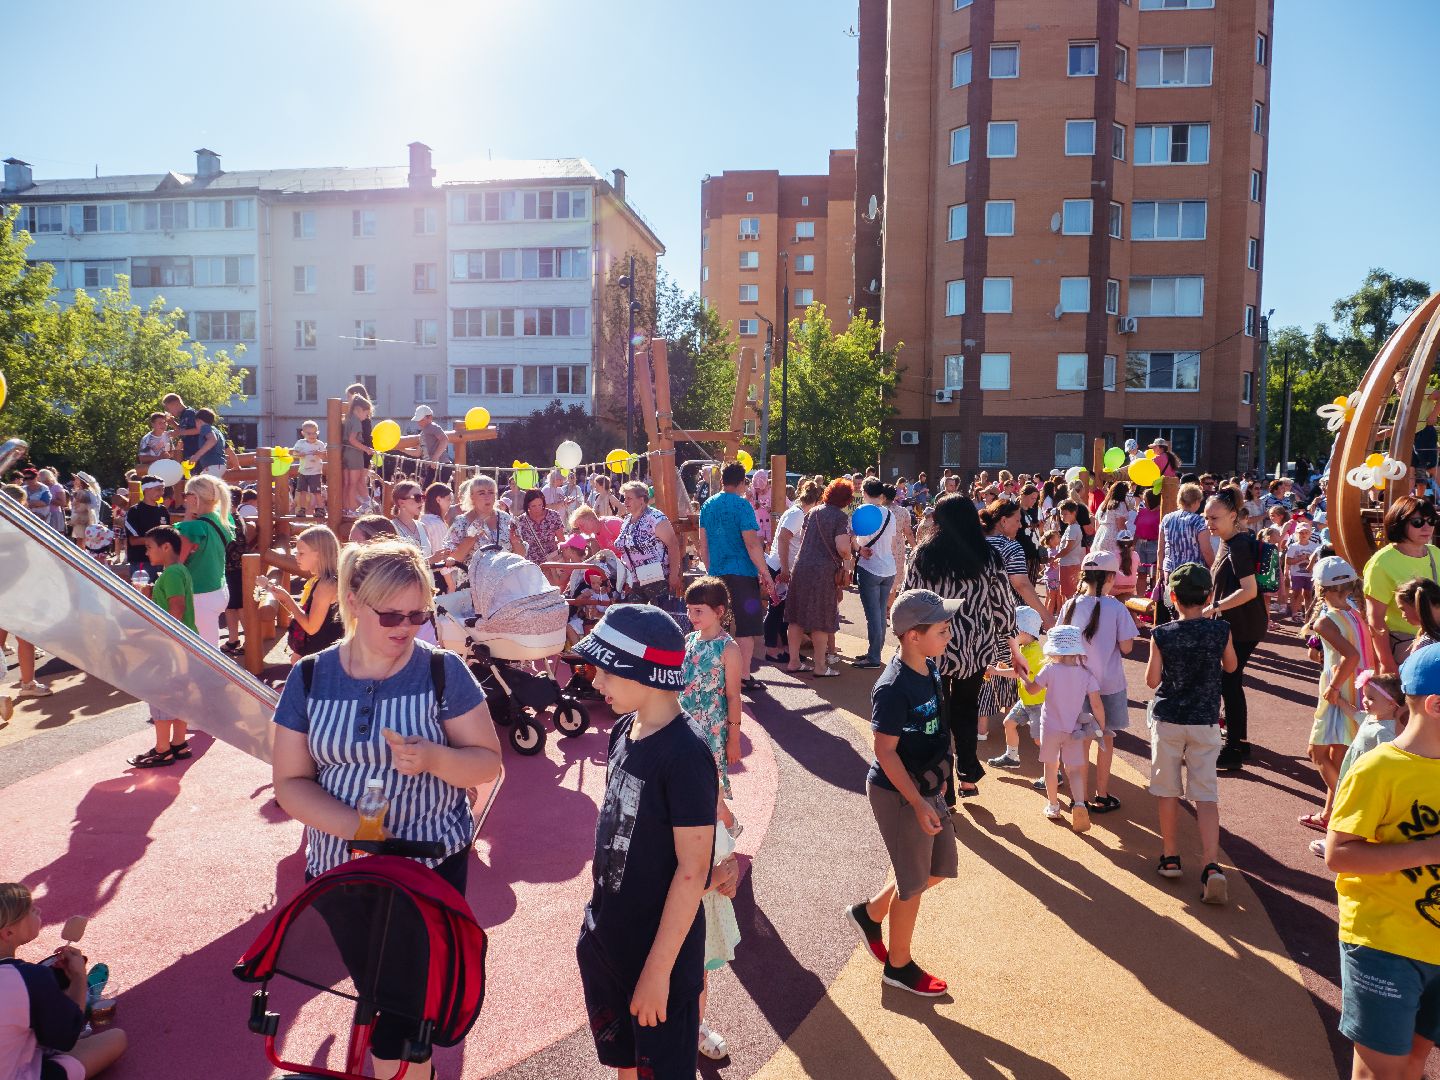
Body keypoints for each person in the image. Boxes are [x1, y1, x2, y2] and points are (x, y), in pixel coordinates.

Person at [270, 540, 502, 1080]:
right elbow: (289, 783)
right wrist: (359, 829)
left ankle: (404, 1069)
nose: (406, 627)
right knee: (377, 991)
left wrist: (436, 757)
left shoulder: (443, 672)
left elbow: (486, 763)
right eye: (392, 615)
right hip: (340, 870)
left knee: (404, 1004)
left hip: (427, 866)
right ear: (352, 602)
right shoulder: (308, 677)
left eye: (417, 614)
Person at [570, 605, 735, 1080]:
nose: (596, 683)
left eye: (603, 671)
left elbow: (691, 871)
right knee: (625, 1062)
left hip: (659, 954)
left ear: (641, 673)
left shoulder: (686, 756)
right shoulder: (625, 727)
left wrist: (658, 973)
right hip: (609, 937)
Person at [1324, 645, 1440, 1080]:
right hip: (1383, 943)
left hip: (1436, 945)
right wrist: (1428, 850)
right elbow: (1338, 854)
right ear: (1435, 705)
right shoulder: (1379, 768)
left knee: (1413, 1063)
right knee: (1379, 1073)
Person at [844, 589, 961, 998]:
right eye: (942, 630)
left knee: (938, 868)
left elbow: (936, 729)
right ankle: (899, 966)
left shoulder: (929, 667)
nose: (949, 636)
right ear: (913, 635)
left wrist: (942, 775)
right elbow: (885, 752)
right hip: (898, 793)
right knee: (911, 885)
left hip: (926, 787)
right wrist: (915, 799)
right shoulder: (892, 687)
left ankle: (870, 913)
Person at [902, 493, 1023, 803]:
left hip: (934, 647)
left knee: (937, 717)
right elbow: (1003, 607)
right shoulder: (988, 556)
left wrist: (905, 642)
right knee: (966, 711)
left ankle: (944, 787)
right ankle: (968, 775)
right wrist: (1013, 649)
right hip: (976, 648)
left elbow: (907, 601)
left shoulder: (923, 555)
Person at [1145, 563, 1237, 900]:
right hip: (1205, 721)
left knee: (1168, 790)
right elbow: (1231, 666)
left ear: (1173, 597)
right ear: (1209, 596)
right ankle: (1211, 864)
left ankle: (1170, 856)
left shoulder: (1162, 633)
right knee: (1206, 795)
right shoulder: (1220, 630)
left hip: (1169, 718)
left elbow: (1152, 681)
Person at [0, 883, 128, 1080]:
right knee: (116, 1038)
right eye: (31, 910)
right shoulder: (30, 979)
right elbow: (65, 1038)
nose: (38, 910)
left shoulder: (29, 977)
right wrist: (78, 977)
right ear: (8, 933)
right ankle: (83, 996)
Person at [1057, 549, 1137, 814]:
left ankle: (1078, 797)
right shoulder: (1117, 607)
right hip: (1108, 685)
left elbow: (1059, 643)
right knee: (1105, 739)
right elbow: (1126, 647)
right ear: (1111, 577)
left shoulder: (1070, 604)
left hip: (1074, 685)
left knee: (1078, 741)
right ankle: (1101, 795)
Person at [1300, 557, 1371, 833]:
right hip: (1359, 686)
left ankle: (1350, 809)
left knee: (1316, 753)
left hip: (1339, 688)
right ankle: (1330, 813)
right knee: (1339, 754)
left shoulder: (1325, 621)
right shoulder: (1355, 610)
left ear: (1321, 589)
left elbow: (1349, 656)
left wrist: (1332, 687)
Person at [1204, 488, 1269, 772]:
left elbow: (1249, 590)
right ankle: (1238, 742)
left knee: (1228, 681)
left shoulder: (1238, 544)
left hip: (1242, 626)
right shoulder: (1227, 541)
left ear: (1233, 516)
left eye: (1215, 517)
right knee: (1230, 681)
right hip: (1237, 624)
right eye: (1206, 517)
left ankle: (1234, 747)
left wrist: (1216, 606)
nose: (1210, 523)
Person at [1017, 624, 1104, 832]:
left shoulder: (1050, 669)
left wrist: (1023, 675)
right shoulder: (1086, 674)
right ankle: (1080, 804)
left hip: (1050, 727)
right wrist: (1102, 726)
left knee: (1051, 766)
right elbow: (1097, 704)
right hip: (1073, 729)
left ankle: (1053, 806)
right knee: (1074, 769)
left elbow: (1032, 689)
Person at [126, 525, 197, 768]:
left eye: (149, 547)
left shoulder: (171, 574)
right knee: (180, 696)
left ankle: (162, 749)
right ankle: (179, 743)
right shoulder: (179, 571)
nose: (146, 553)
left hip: (171, 647)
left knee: (162, 697)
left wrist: (164, 640)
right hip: (183, 645)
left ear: (166, 547)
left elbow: (177, 607)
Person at [698, 463, 775, 682]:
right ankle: (743, 675)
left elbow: (703, 545)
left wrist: (709, 570)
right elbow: (751, 544)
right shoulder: (743, 506)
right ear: (742, 482)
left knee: (715, 625)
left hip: (716, 573)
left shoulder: (708, 505)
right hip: (742, 572)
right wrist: (765, 572)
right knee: (745, 627)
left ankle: (715, 674)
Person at [680, 577, 743, 832]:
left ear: (719, 611)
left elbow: (733, 696)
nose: (691, 615)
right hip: (686, 722)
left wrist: (734, 739)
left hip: (712, 728)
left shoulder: (729, 648)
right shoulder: (690, 640)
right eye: (689, 609)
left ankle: (729, 826)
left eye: (698, 611)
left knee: (709, 787)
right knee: (690, 782)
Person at [1362, 495, 1440, 676]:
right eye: (1418, 522)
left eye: (1432, 520)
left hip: (1435, 641)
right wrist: (1386, 663)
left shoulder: (1436, 553)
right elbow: (1376, 619)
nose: (1427, 527)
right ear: (1400, 522)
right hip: (1405, 645)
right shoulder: (1382, 563)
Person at [784, 479, 854, 679]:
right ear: (846, 499)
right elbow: (842, 547)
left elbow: (805, 537)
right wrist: (849, 557)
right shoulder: (840, 517)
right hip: (822, 571)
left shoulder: (814, 512)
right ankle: (820, 666)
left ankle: (794, 661)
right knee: (821, 619)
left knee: (796, 616)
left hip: (801, 566)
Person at [255, 525, 342, 662]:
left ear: (319, 554)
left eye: (301, 553)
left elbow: (311, 627)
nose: (296, 557)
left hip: (322, 656)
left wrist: (288, 599)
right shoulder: (328, 579)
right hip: (326, 652)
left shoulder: (325, 585)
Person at [174, 474, 234, 650]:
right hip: (218, 589)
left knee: (206, 652)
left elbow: (176, 564)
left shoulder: (191, 527)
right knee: (206, 645)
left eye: (186, 496)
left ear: (194, 498)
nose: (184, 500)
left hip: (199, 595)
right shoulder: (224, 520)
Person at [853, 479, 904, 669]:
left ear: (865, 492)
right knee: (881, 613)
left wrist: (858, 549)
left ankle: (874, 656)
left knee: (873, 614)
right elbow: (891, 542)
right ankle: (875, 651)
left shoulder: (864, 512)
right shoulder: (889, 514)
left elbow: (860, 542)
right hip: (888, 567)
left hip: (870, 567)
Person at [986, 606, 1045, 770]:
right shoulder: (1025, 648)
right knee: (1009, 722)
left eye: (1013, 631)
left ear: (1025, 631)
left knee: (1040, 740)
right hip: (1027, 700)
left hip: (1039, 704)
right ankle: (1012, 756)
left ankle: (1055, 772)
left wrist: (996, 671)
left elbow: (1017, 673)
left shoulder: (1032, 652)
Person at [764, 479, 815, 664]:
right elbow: (784, 539)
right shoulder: (798, 515)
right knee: (776, 610)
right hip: (780, 567)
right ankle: (771, 649)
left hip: (781, 566)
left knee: (784, 611)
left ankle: (786, 649)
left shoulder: (796, 512)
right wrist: (785, 569)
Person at [1154, 483, 1209, 626]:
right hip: (1193, 572)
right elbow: (1206, 549)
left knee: (1171, 605)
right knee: (1193, 609)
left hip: (1170, 569)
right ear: (1197, 501)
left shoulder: (1167, 518)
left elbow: (1160, 548)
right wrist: (1214, 566)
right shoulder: (1199, 521)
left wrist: (1160, 569)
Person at [442, 476, 526, 567]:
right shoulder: (461, 522)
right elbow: (453, 560)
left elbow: (521, 556)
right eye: (481, 493)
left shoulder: (505, 518)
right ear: (472, 496)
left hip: (504, 578)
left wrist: (515, 542)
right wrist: (472, 537)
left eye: (491, 492)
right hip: (472, 579)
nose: (487, 497)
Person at [340, 393, 375, 515]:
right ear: (359, 410)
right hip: (355, 453)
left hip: (346, 453)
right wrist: (366, 448)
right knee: (353, 484)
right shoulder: (356, 422)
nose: (366, 417)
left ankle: (345, 509)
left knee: (347, 483)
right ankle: (351, 510)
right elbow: (352, 439)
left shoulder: (347, 418)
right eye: (366, 414)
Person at [409, 405, 453, 488]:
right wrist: (401, 449)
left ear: (430, 417)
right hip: (433, 466)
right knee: (429, 491)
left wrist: (435, 457)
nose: (419, 422)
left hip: (441, 465)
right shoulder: (423, 433)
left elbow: (444, 440)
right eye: (418, 420)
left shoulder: (432, 427)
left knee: (432, 492)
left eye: (421, 420)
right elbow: (417, 453)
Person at [291, 420, 326, 519]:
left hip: (315, 472)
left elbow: (324, 456)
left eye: (314, 433)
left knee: (316, 492)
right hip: (303, 471)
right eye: (309, 433)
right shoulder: (300, 443)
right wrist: (299, 454)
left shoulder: (320, 444)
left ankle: (320, 509)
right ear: (303, 433)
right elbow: (295, 453)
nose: (312, 435)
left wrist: (319, 453)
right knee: (302, 491)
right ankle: (302, 509)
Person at [182, 408, 228, 479]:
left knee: (201, 487)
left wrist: (196, 456)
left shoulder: (205, 427)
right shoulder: (216, 431)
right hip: (219, 465)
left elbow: (212, 440)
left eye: (195, 423)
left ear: (199, 421)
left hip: (212, 465)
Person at [1092, 482, 1132, 556]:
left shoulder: (1103, 504)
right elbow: (1121, 526)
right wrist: (1127, 542)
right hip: (1113, 535)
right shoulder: (1120, 504)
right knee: (1114, 561)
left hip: (1101, 534)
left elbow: (1096, 524)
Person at [162, 392, 202, 466]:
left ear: (176, 404)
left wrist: (179, 432)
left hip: (197, 451)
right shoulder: (183, 415)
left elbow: (198, 430)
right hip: (189, 451)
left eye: (169, 408)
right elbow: (184, 430)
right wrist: (173, 423)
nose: (169, 411)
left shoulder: (189, 413)